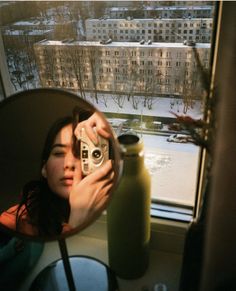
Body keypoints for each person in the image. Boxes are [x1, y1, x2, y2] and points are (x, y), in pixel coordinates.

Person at [0, 111, 115, 237]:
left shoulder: (115, 210)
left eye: (82, 153)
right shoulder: (14, 221)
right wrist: (77, 220)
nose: (70, 164)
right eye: (59, 153)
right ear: (44, 168)